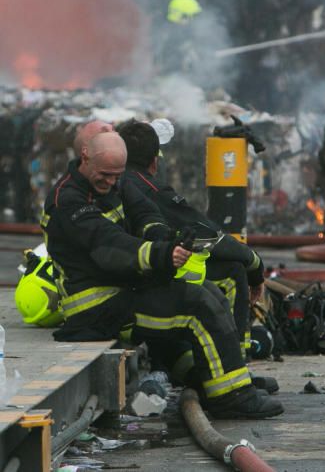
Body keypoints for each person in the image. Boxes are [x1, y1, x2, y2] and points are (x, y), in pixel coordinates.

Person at [42, 131, 282, 419]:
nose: (111, 182)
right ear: (85, 157)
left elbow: (145, 213)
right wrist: (161, 255)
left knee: (210, 292)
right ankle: (230, 397)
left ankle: (230, 380)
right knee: (196, 308)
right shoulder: (67, 200)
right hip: (97, 309)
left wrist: (165, 240)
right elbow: (108, 247)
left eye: (117, 175)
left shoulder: (116, 184)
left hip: (124, 292)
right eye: (105, 174)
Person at [114, 119, 275, 392]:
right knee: (233, 274)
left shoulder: (109, 182)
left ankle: (181, 364)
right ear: (154, 162)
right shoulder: (149, 190)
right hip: (137, 294)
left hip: (125, 286)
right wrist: (254, 264)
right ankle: (234, 372)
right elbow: (207, 234)